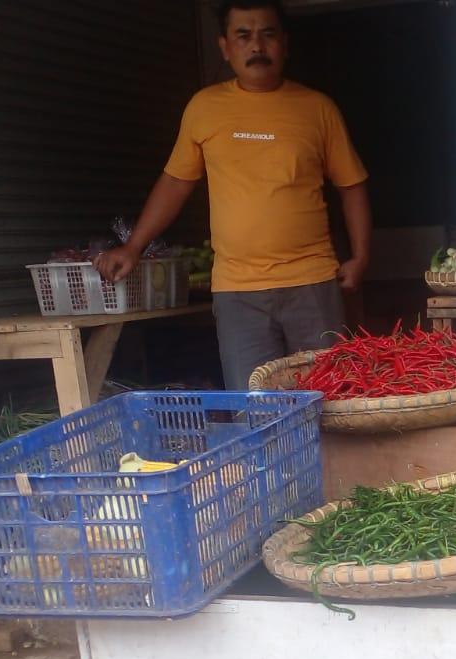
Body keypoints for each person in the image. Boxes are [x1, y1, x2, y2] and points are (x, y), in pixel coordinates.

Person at [95, 0, 371, 390]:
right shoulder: (204, 108)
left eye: (267, 34)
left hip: (311, 283)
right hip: (238, 292)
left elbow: (351, 185)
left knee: (329, 402)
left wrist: (361, 256)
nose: (256, 45)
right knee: (253, 406)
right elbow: (176, 182)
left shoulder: (318, 109)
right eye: (243, 35)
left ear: (285, 44)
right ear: (225, 47)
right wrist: (134, 246)